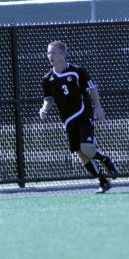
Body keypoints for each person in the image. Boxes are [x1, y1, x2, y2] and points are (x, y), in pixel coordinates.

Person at [39, 40, 118, 193]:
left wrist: (98, 107)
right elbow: (48, 98)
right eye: (48, 53)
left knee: (86, 148)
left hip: (83, 114)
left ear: (63, 54)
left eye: (53, 52)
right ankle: (103, 181)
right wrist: (44, 109)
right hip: (68, 120)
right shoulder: (47, 79)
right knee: (81, 154)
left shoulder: (77, 71)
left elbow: (92, 88)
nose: (50, 56)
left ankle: (107, 162)